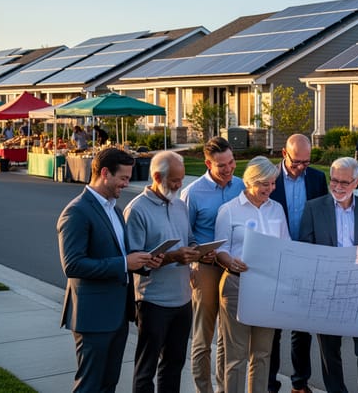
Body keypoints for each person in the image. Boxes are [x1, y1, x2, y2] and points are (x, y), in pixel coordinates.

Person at [56, 147, 162, 392]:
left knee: (108, 384)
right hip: (92, 317)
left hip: (117, 315)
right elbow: (72, 265)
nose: (126, 184)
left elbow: (119, 255)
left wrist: (143, 262)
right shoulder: (76, 212)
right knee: (90, 385)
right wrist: (125, 263)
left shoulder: (114, 208)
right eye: (123, 178)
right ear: (105, 173)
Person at [299, 157, 358, 393]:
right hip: (326, 292)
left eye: (344, 183)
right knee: (329, 352)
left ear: (357, 181)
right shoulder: (313, 208)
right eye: (334, 181)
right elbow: (305, 249)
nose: (338, 187)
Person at [124, 151, 203, 393]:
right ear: (157, 176)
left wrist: (198, 251)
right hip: (152, 301)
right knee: (146, 367)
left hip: (182, 299)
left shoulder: (180, 205)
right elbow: (135, 261)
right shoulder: (136, 210)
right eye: (175, 181)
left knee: (174, 364)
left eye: (181, 179)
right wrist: (173, 257)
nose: (180, 185)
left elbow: (189, 240)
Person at [215, 156, 290, 393]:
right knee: (235, 356)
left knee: (262, 354)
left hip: (268, 287)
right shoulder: (229, 211)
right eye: (265, 184)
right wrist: (228, 260)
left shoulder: (276, 209)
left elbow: (286, 245)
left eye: (273, 183)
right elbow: (220, 249)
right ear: (250, 182)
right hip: (237, 285)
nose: (271, 189)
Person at [180, 136, 245, 393]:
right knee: (203, 337)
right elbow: (184, 233)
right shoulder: (193, 193)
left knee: (227, 338)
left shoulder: (240, 186)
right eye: (222, 165)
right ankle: (203, 389)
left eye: (231, 162)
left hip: (232, 269)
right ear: (208, 163)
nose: (229, 169)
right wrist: (198, 253)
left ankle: (223, 388)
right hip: (206, 268)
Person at [268, 133, 328, 393]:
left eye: (307, 162)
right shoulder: (269, 177)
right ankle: (269, 382)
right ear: (284, 154)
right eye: (297, 162)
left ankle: (300, 382)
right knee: (272, 329)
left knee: (301, 329)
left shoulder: (316, 178)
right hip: (275, 260)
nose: (302, 167)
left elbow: (324, 216)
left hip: (306, 260)